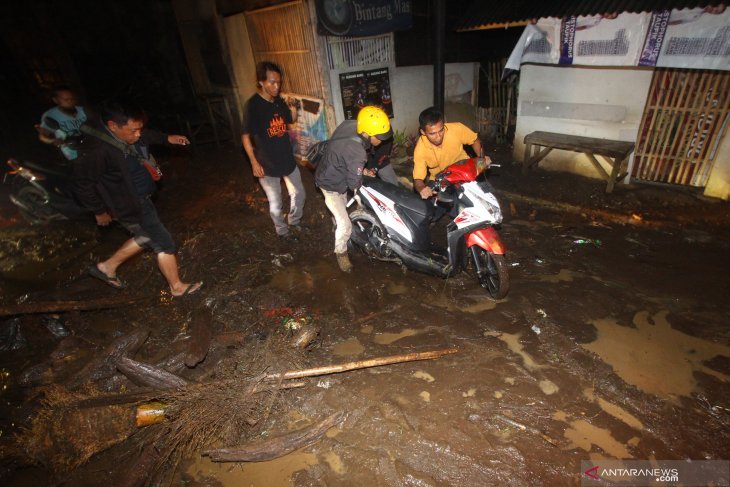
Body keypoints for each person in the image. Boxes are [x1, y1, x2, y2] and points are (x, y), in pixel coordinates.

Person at [73, 100, 202, 297]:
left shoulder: (128, 135)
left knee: (145, 235)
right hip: (129, 204)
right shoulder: (98, 151)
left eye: (140, 128)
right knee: (164, 243)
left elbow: (146, 136)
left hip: (140, 198)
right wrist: (98, 210)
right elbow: (82, 183)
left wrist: (168, 138)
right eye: (133, 130)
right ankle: (177, 287)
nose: (138, 134)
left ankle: (106, 268)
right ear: (113, 126)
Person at [315, 105, 392, 273]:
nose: (382, 140)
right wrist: (360, 176)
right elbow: (353, 183)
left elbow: (346, 157)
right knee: (345, 223)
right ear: (367, 133)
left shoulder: (351, 124)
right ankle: (340, 253)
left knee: (341, 209)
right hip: (330, 184)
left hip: (331, 168)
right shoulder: (357, 151)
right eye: (379, 137)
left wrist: (360, 169)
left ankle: (336, 224)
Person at [242, 61, 305, 242]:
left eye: (279, 82)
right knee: (276, 204)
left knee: (300, 193)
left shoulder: (278, 101)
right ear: (261, 82)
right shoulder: (253, 106)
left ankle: (294, 221)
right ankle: (282, 232)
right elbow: (245, 136)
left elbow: (289, 120)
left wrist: (294, 109)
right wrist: (254, 162)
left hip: (286, 158)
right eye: (272, 82)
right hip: (267, 164)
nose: (276, 86)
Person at [412, 106, 489, 199]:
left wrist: (482, 162)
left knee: (482, 199)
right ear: (423, 132)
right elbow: (418, 179)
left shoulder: (457, 128)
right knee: (431, 209)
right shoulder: (420, 150)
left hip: (464, 170)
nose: (438, 136)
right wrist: (422, 189)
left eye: (441, 130)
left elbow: (475, 140)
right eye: (432, 133)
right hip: (441, 179)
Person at [37, 86, 88, 160]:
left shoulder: (83, 110)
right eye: (66, 100)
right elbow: (43, 136)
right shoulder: (50, 115)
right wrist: (52, 141)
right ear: (56, 100)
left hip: (92, 147)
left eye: (72, 99)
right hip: (74, 154)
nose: (70, 101)